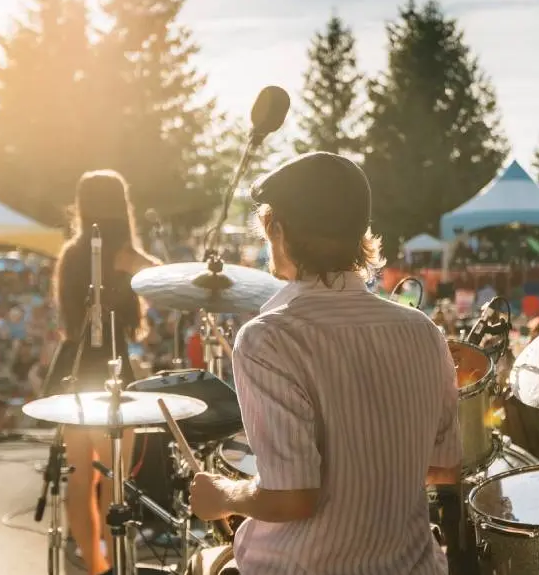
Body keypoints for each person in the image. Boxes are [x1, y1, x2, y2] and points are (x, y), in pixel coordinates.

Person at [188, 152, 461, 574]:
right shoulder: (423, 331)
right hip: (414, 567)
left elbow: (292, 498)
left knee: (203, 562)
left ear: (277, 229)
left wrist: (222, 495)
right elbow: (444, 468)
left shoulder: (269, 338)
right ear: (359, 235)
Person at [48, 170, 160, 575]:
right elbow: (163, 278)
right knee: (114, 481)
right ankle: (117, 566)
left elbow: (67, 323)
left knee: (79, 481)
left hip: (72, 372)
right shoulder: (121, 254)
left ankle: (94, 568)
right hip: (110, 369)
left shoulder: (71, 256)